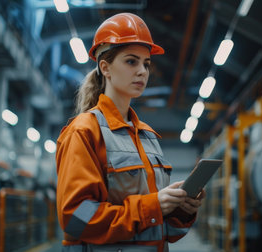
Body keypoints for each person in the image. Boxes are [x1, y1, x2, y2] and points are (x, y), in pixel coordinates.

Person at [56, 13, 206, 252]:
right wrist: (152, 206)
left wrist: (180, 209)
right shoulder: (84, 131)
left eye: (146, 64)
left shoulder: (147, 137)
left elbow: (161, 229)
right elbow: (76, 219)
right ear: (105, 67)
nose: (142, 71)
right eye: (131, 61)